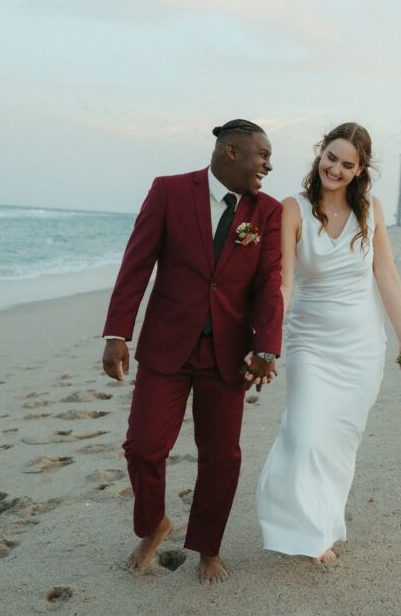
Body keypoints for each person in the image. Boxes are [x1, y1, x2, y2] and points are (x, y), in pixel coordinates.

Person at [102, 120, 283, 583]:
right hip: (166, 347)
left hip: (229, 354)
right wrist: (117, 333)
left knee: (221, 456)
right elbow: (136, 263)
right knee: (143, 446)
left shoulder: (267, 212)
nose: (268, 163)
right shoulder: (169, 192)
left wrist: (267, 348)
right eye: (262, 154)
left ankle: (207, 547)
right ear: (231, 152)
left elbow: (269, 285)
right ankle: (154, 524)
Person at [256, 123, 401, 563]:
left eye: (348, 164)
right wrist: (267, 341)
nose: (336, 168)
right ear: (319, 154)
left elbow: (386, 276)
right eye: (331, 157)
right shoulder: (294, 209)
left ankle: (320, 532)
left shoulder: (372, 211)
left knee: (339, 445)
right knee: (306, 433)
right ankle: (290, 519)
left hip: (364, 348)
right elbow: (284, 285)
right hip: (310, 343)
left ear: (360, 169)